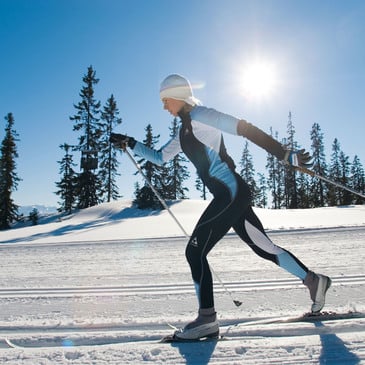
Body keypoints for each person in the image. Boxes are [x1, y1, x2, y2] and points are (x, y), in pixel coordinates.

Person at [110, 74, 331, 340]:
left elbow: (244, 128)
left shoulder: (202, 115)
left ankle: (206, 320)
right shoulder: (183, 132)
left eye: (165, 100)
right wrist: (131, 144)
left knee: (194, 252)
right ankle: (313, 281)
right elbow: (159, 158)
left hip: (231, 193)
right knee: (264, 247)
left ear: (177, 96)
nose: (164, 107)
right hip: (231, 196)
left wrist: (283, 153)